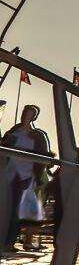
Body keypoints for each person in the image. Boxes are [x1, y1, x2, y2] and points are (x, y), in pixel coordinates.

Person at [3, 106, 50, 251]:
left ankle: (9, 242)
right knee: (5, 207)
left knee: (16, 210)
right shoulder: (12, 132)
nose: (27, 116)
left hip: (26, 175)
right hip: (8, 172)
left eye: (31, 114)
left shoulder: (37, 135)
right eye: (25, 112)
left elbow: (43, 156)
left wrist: (39, 173)